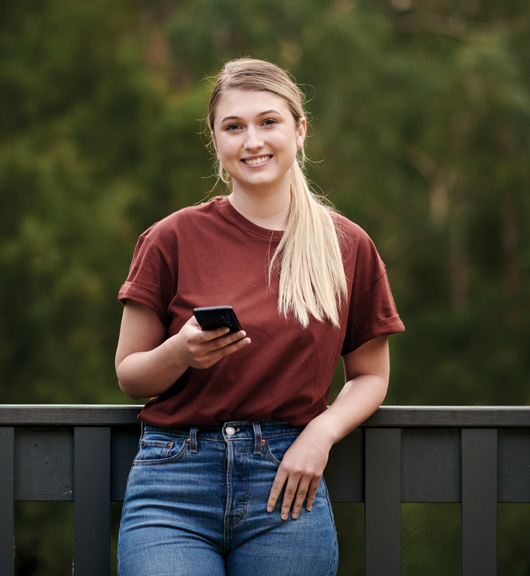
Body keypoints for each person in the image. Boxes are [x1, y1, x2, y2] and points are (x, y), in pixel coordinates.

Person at [114, 57, 405, 576]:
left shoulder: (347, 246)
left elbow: (370, 377)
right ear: (215, 141)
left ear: (300, 130)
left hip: (287, 484)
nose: (253, 141)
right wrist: (180, 352)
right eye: (234, 127)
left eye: (268, 122)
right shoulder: (170, 239)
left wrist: (321, 433)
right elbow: (129, 373)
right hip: (172, 486)